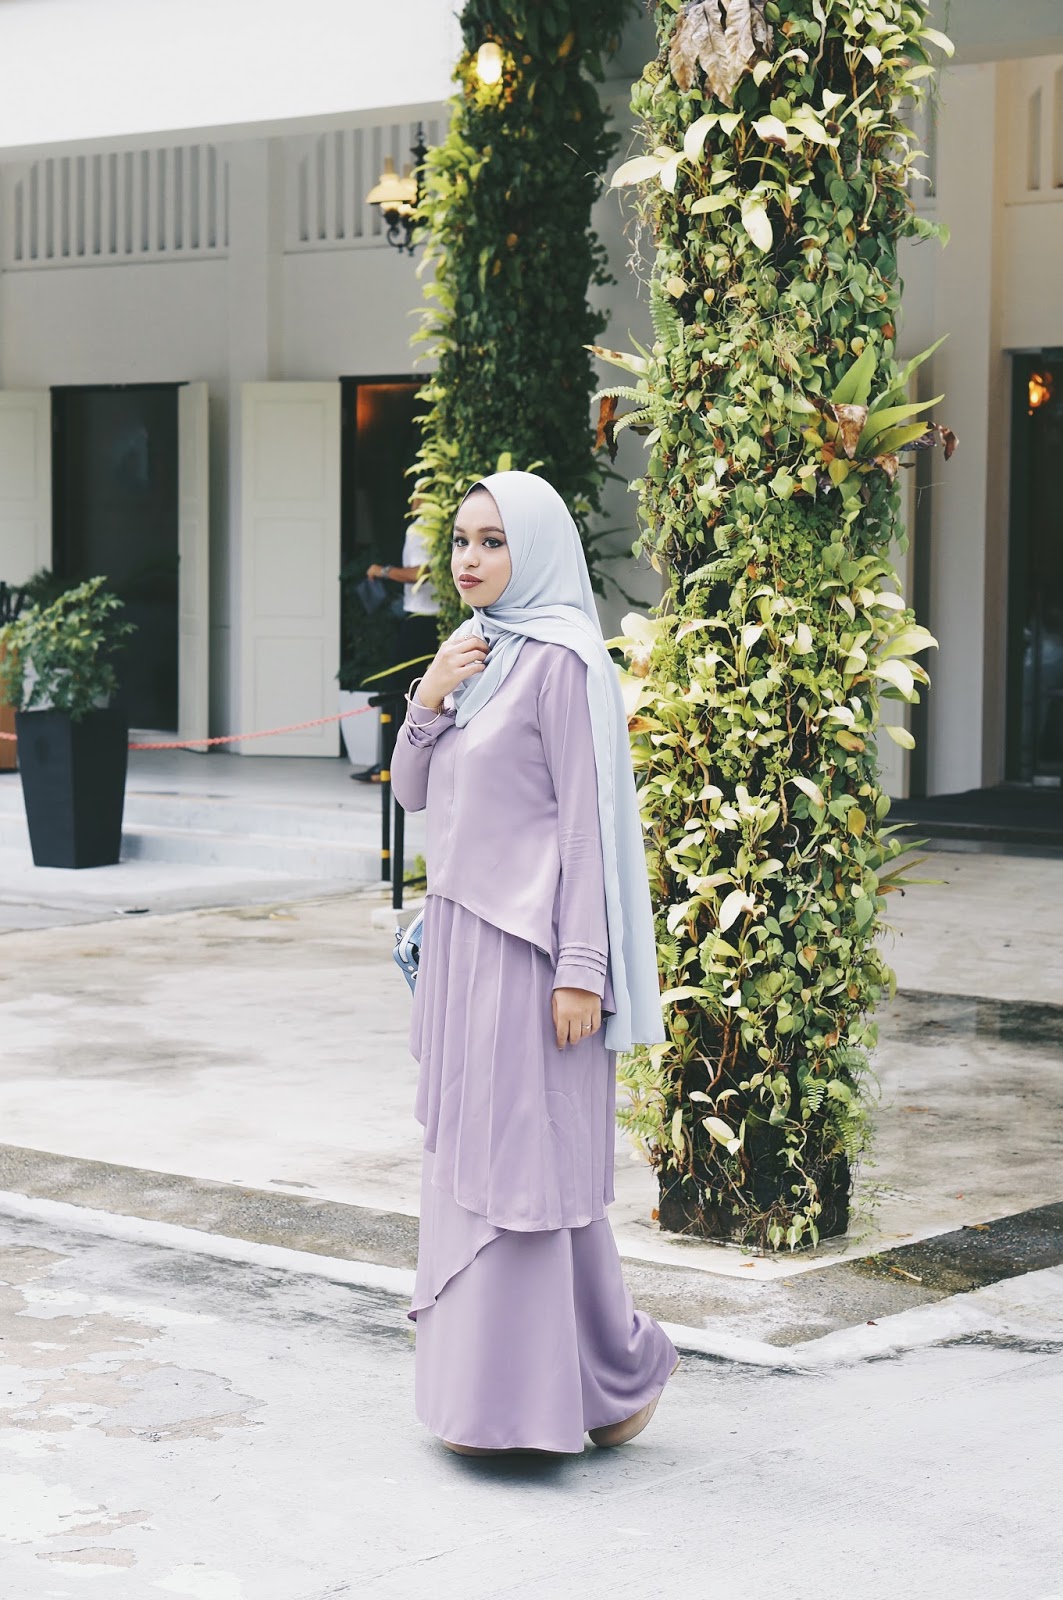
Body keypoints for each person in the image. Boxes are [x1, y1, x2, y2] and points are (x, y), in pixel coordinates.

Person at [390, 470, 678, 1457]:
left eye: (493, 540)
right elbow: (412, 791)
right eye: (461, 540)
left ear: (538, 550)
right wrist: (430, 695)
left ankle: (544, 1396)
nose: (469, 558)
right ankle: (594, 1384)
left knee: (528, 1167)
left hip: (533, 955)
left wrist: (582, 967)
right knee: (477, 1160)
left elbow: (587, 824)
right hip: (462, 948)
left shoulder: (561, 663)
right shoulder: (473, 653)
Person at [357, 502, 441, 782]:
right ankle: (411, 767)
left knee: (396, 693)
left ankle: (389, 767)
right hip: (440, 621)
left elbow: (420, 573)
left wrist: (383, 571)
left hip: (421, 620)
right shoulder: (446, 528)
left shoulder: (421, 528)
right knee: (426, 696)